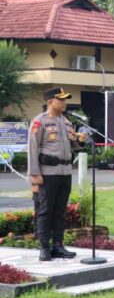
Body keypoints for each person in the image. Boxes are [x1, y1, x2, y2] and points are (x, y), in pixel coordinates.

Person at [28, 87, 88, 261]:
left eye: (65, 99)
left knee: (60, 211)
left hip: (64, 172)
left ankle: (58, 246)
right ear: (50, 102)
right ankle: (44, 248)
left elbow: (73, 146)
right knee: (45, 211)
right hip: (47, 173)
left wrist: (80, 141)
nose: (64, 102)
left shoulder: (66, 121)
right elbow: (32, 148)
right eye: (60, 99)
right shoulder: (40, 121)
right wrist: (34, 174)